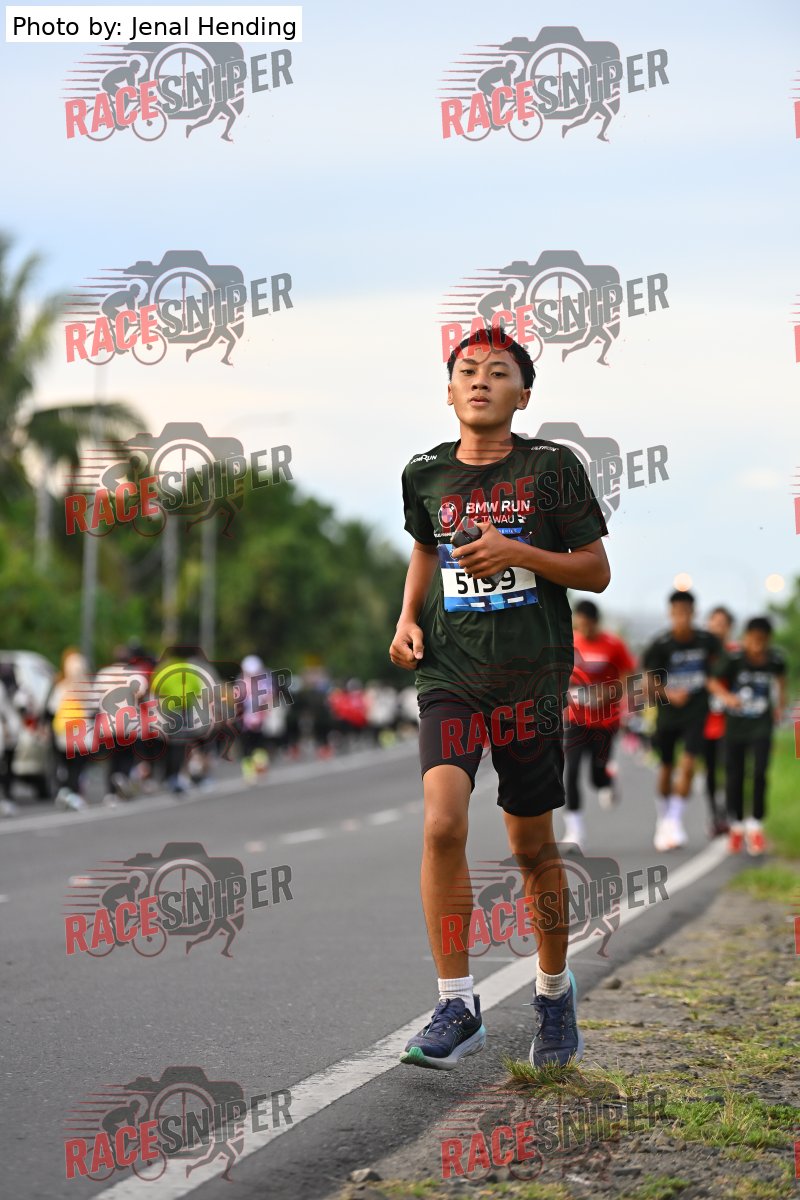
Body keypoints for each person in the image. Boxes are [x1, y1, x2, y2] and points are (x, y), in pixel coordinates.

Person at [389, 326, 610, 1070]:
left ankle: (552, 991)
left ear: (524, 394)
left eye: (498, 371)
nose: (480, 380)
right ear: (449, 390)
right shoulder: (424, 473)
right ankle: (456, 1002)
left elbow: (595, 570)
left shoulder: (551, 468)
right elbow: (426, 547)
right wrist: (407, 618)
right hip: (451, 674)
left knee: (530, 846)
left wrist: (518, 552)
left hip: (530, 677)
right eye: (467, 370)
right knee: (442, 823)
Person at [642, 591, 724, 852]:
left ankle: (675, 821)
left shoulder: (706, 641)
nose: (682, 618)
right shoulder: (661, 645)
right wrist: (668, 693)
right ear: (670, 613)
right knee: (666, 768)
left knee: (687, 765)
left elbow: (721, 666)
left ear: (693, 613)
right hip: (668, 714)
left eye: (686, 613)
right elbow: (647, 682)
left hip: (696, 712)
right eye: (677, 613)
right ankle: (663, 818)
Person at [708, 617, 787, 856]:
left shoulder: (775, 660)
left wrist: (780, 706)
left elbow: (781, 683)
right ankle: (737, 825)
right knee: (735, 776)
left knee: (760, 772)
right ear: (746, 638)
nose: (757, 646)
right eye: (753, 640)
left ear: (768, 640)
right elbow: (712, 681)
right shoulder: (734, 659)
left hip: (761, 725)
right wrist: (727, 698)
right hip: (735, 727)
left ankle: (756, 825)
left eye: (762, 641)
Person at [563, 600, 635, 849]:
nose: (583, 629)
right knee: (571, 771)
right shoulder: (570, 642)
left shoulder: (613, 644)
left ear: (595, 622)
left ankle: (608, 779)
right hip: (576, 718)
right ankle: (574, 831)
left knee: (596, 775)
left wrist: (611, 693)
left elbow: (627, 676)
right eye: (579, 624)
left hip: (605, 719)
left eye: (587, 624)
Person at [702, 606, 736, 836]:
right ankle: (715, 815)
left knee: (731, 768)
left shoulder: (735, 654)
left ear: (729, 628)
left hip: (730, 722)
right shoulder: (700, 654)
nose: (717, 629)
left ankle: (731, 813)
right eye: (713, 624)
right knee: (711, 770)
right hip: (705, 722)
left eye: (722, 625)